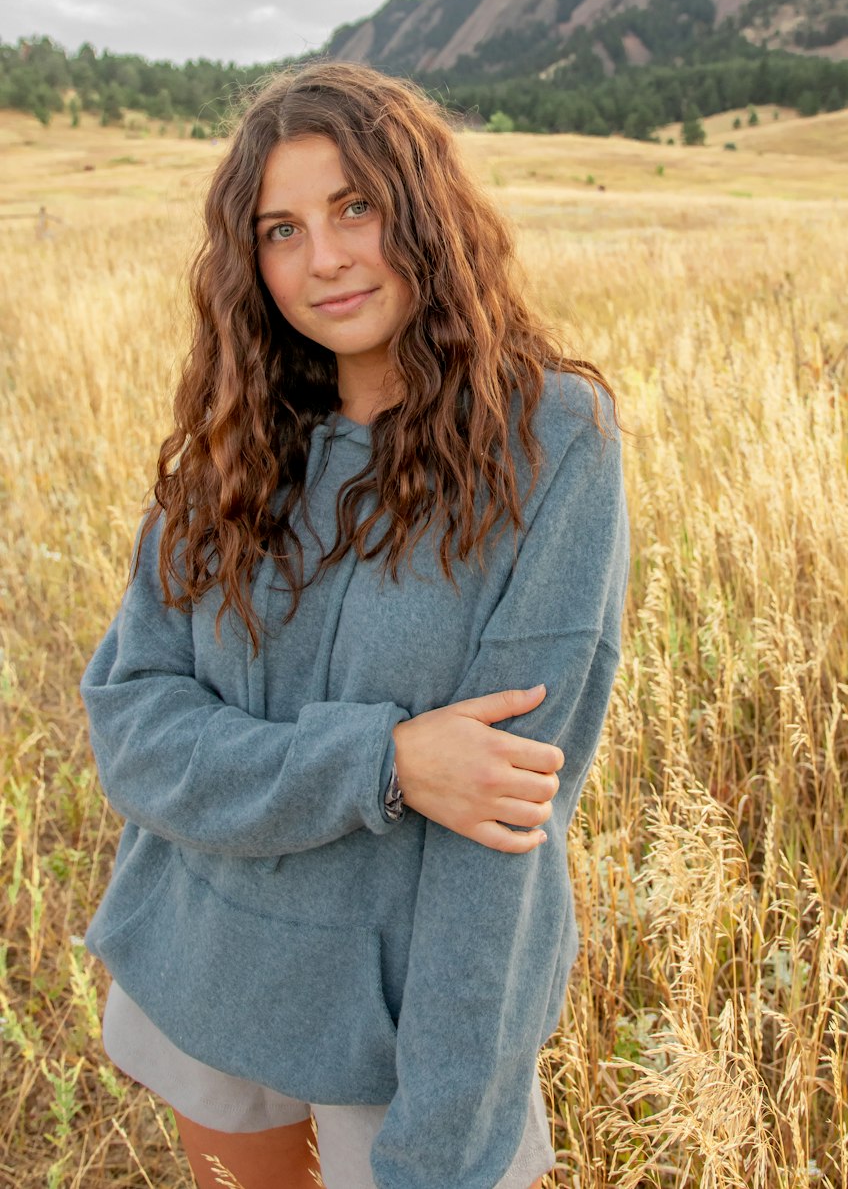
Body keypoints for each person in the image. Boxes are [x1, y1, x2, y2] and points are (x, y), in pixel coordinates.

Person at [81, 61, 630, 1189]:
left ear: (423, 212)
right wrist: (381, 763)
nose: (322, 257)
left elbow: (502, 830)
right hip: (211, 961)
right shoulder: (235, 446)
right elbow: (132, 728)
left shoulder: (551, 446)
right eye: (280, 229)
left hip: (404, 1023)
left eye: (354, 207)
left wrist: (445, 1136)